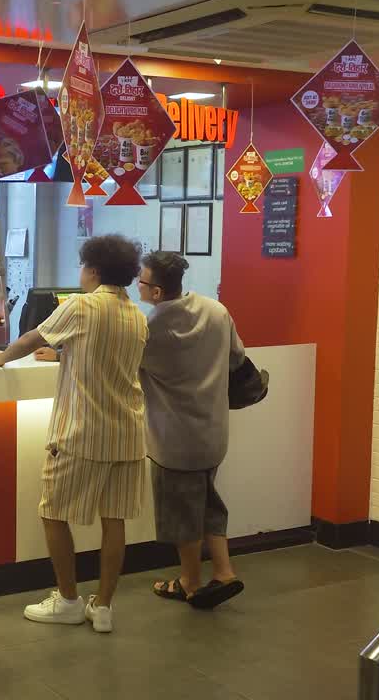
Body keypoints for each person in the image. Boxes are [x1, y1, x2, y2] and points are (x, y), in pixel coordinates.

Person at [0, 234, 147, 633]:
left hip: (82, 431)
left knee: (54, 513)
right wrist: (63, 354)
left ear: (92, 270)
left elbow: (30, 339)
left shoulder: (81, 305)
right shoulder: (136, 314)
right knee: (114, 520)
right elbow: (103, 354)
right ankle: (103, 606)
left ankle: (69, 600)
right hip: (127, 432)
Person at [133, 251, 247, 609]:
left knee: (181, 513)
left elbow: (120, 363)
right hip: (213, 431)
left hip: (174, 439)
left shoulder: (150, 331)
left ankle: (190, 583)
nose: (138, 284)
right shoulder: (217, 311)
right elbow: (237, 357)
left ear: (155, 292)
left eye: (142, 280)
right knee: (209, 502)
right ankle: (225, 572)